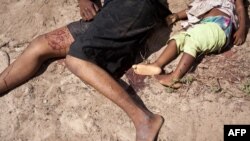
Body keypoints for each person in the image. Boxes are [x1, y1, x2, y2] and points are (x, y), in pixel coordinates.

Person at [0, 0, 172, 140]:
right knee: (41, 45)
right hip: (111, 11)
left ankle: (145, 120)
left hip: (135, 6)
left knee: (77, 60)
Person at [133, 0, 247, 88]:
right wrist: (176, 16)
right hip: (202, 25)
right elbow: (194, 10)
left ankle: (174, 77)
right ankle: (157, 65)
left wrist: (242, 28)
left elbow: (241, 9)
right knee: (178, 38)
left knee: (193, 41)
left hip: (220, 26)